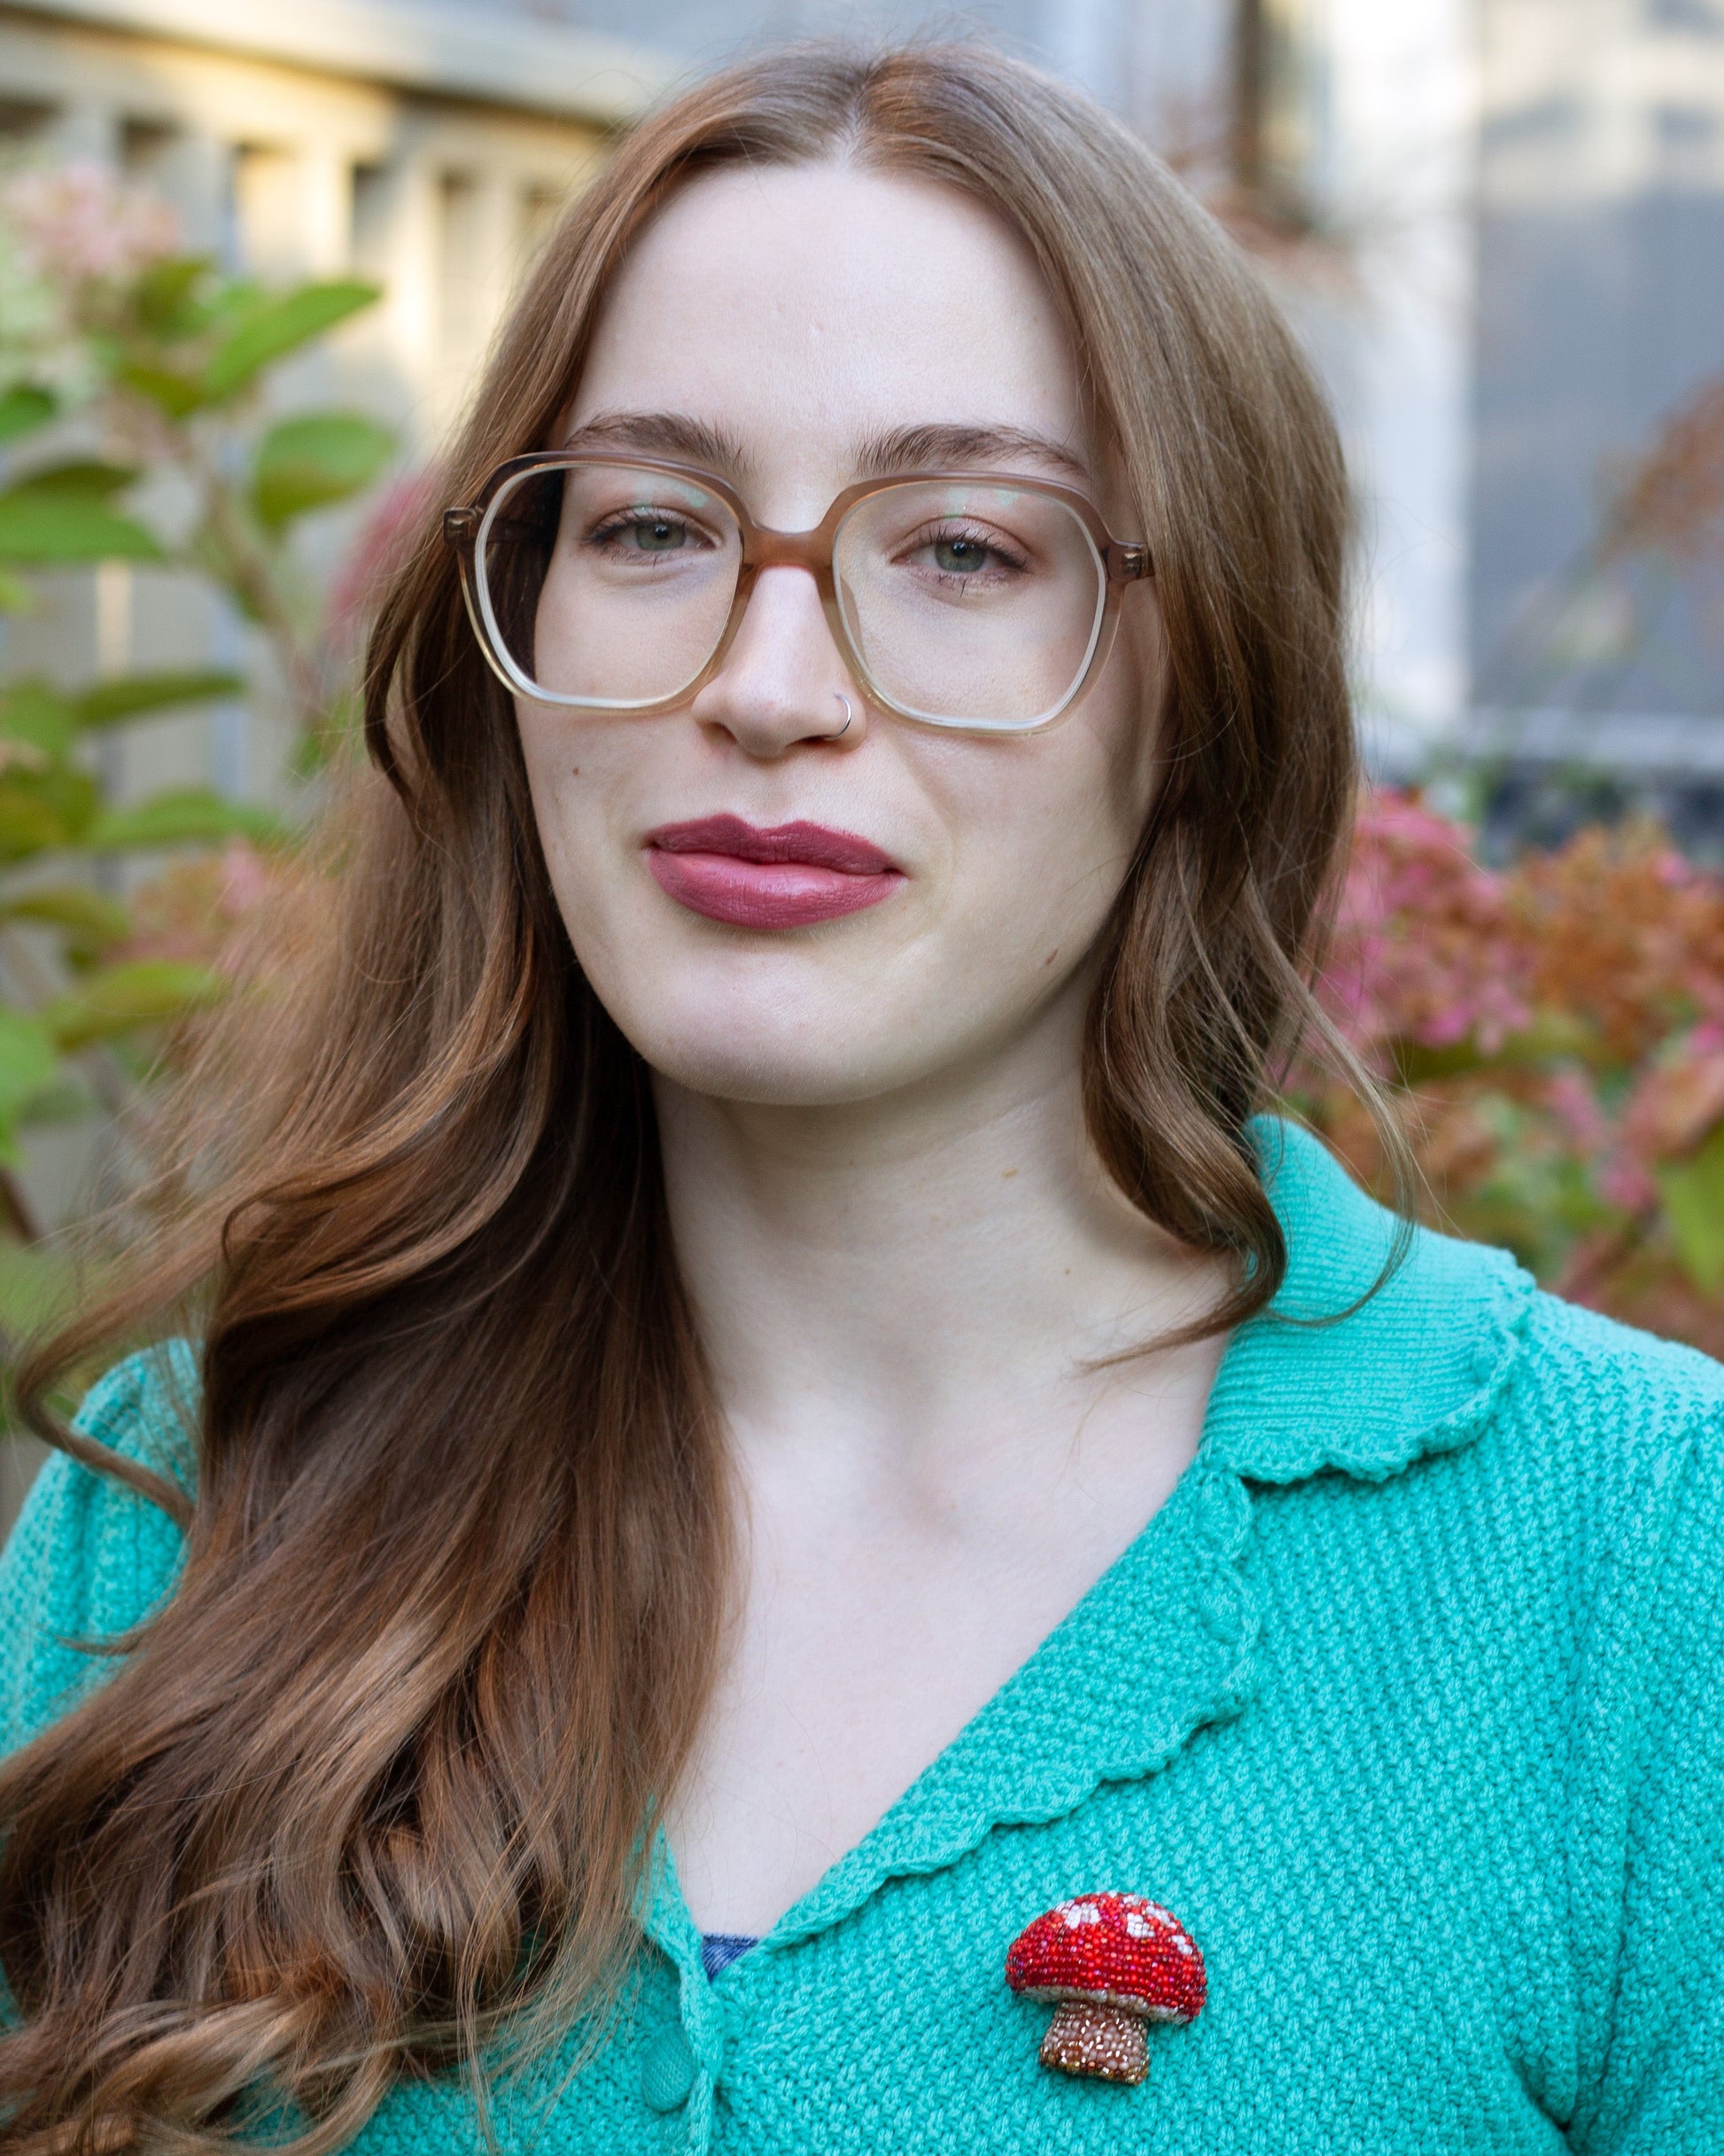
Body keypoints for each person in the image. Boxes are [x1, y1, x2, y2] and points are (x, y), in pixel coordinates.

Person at [1, 41, 1720, 2156]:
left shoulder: (1635, 1564)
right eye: (646, 522)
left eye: (968, 549)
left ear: (1211, 686)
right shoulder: (200, 1483)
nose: (768, 685)